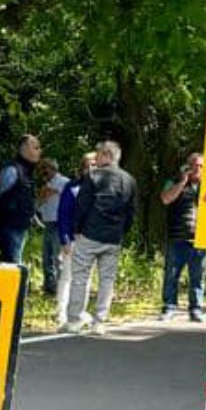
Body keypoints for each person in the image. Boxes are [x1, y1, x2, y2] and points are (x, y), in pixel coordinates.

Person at [62, 140, 138, 333]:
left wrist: (76, 229)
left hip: (89, 234)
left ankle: (73, 320)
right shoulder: (129, 180)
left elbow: (82, 205)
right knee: (107, 279)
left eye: (98, 155)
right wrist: (122, 231)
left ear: (107, 156)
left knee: (80, 277)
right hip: (113, 237)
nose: (96, 158)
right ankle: (99, 322)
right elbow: (131, 212)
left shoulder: (93, 176)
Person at [0, 134, 43, 307]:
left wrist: (33, 215)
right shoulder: (12, 170)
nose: (39, 151)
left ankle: (11, 300)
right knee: (11, 263)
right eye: (35, 147)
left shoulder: (27, 172)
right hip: (8, 225)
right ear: (24, 149)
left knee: (14, 261)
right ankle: (10, 302)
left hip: (20, 226)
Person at [160, 151, 206, 322]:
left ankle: (196, 309)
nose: (197, 168)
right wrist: (182, 182)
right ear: (187, 165)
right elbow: (165, 199)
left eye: (201, 166)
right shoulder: (173, 182)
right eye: (194, 165)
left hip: (201, 239)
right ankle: (169, 308)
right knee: (171, 275)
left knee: (197, 277)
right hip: (177, 238)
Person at [53, 151, 94, 317]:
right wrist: (65, 238)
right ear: (83, 168)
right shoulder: (72, 187)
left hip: (92, 239)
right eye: (91, 165)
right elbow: (63, 214)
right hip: (74, 238)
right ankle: (61, 312)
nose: (94, 169)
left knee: (86, 278)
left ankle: (79, 311)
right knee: (68, 276)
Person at [35, 156, 67, 304]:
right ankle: (49, 288)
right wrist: (43, 194)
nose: (43, 171)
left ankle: (62, 289)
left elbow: (65, 194)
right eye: (42, 169)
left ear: (54, 168)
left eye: (46, 168)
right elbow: (40, 203)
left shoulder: (63, 181)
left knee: (57, 258)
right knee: (46, 257)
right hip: (48, 223)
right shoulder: (45, 185)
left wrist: (50, 190)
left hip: (59, 223)